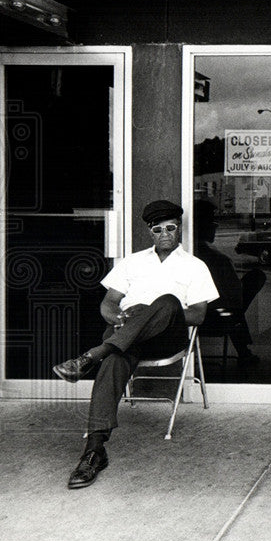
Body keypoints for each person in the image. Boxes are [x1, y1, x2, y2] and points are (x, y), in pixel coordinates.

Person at [52, 199, 219, 489]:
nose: (165, 233)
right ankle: (94, 451)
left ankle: (92, 356)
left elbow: (198, 314)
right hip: (125, 337)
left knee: (166, 302)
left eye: (171, 228)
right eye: (158, 229)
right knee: (117, 358)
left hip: (166, 339)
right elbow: (108, 304)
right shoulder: (132, 262)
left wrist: (157, 313)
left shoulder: (195, 266)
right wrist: (120, 317)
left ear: (179, 230)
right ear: (150, 232)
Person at [193, 199, 266, 365]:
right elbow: (234, 298)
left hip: (206, 315)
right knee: (236, 306)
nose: (215, 226)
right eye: (212, 222)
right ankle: (244, 352)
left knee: (233, 308)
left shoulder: (195, 254)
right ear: (202, 226)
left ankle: (244, 352)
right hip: (215, 319)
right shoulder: (216, 259)